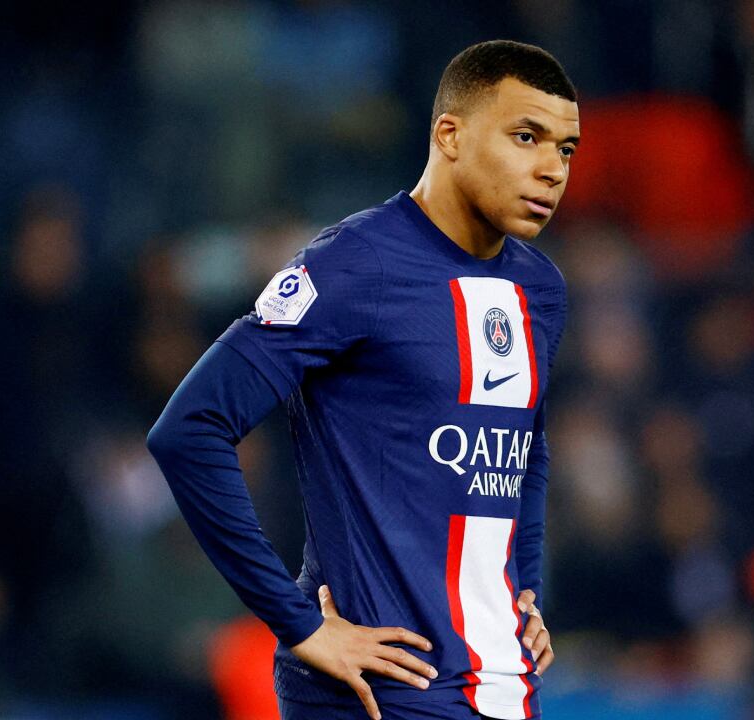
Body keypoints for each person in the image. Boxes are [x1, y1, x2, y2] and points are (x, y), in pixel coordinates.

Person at [147, 40, 578, 720]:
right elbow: (190, 428)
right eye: (527, 137)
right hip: (379, 695)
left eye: (565, 149)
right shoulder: (356, 264)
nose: (552, 169)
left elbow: (523, 450)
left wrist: (523, 595)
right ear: (451, 135)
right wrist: (300, 624)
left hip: (504, 687)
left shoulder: (540, 289)